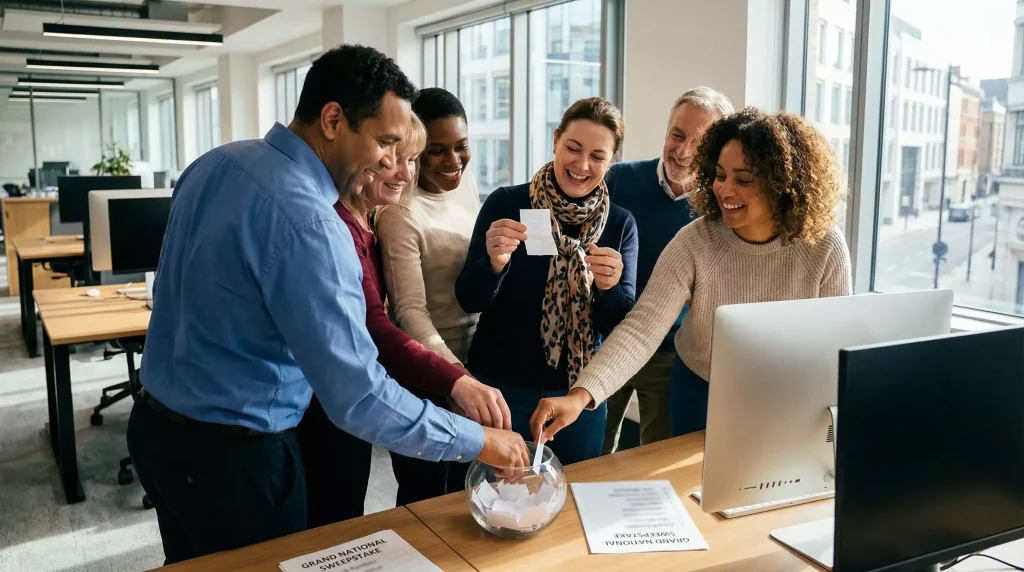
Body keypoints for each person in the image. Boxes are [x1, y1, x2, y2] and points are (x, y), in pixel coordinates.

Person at [127, 45, 530, 565]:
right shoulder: (312, 223)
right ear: (334, 119)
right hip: (234, 459)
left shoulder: (217, 161)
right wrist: (475, 440)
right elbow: (358, 396)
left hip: (156, 429)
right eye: (385, 142)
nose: (390, 162)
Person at [529, 107, 852, 444]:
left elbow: (834, 350)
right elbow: (643, 327)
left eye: (743, 179)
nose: (724, 190)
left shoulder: (824, 247)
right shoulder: (696, 240)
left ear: (783, 184)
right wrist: (580, 396)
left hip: (784, 396)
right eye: (719, 174)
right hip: (699, 390)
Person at [298, 113, 510, 527]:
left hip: (368, 390)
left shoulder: (369, 220)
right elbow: (380, 324)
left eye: (410, 159)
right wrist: (455, 379)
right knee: (336, 518)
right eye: (391, 158)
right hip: (330, 402)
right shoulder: (342, 225)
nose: (403, 172)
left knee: (349, 509)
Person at [456, 97, 638, 465]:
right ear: (555, 140)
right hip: (500, 388)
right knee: (493, 498)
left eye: (598, 156)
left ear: (612, 161)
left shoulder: (620, 225)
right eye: (573, 148)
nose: (582, 164)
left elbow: (620, 324)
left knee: (573, 497)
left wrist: (609, 289)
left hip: (575, 395)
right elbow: (469, 299)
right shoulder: (507, 203)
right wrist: (493, 264)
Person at [601, 87, 734, 454]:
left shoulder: (723, 207)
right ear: (666, 130)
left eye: (700, 142)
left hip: (669, 353)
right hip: (606, 339)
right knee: (590, 452)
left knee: (657, 454)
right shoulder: (617, 180)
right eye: (677, 134)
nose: (683, 150)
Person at [377, 87, 481, 368]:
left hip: (483, 353)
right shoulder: (401, 213)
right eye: (437, 151)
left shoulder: (465, 184)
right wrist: (457, 377)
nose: (453, 161)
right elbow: (409, 313)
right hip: (435, 365)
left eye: (461, 146)